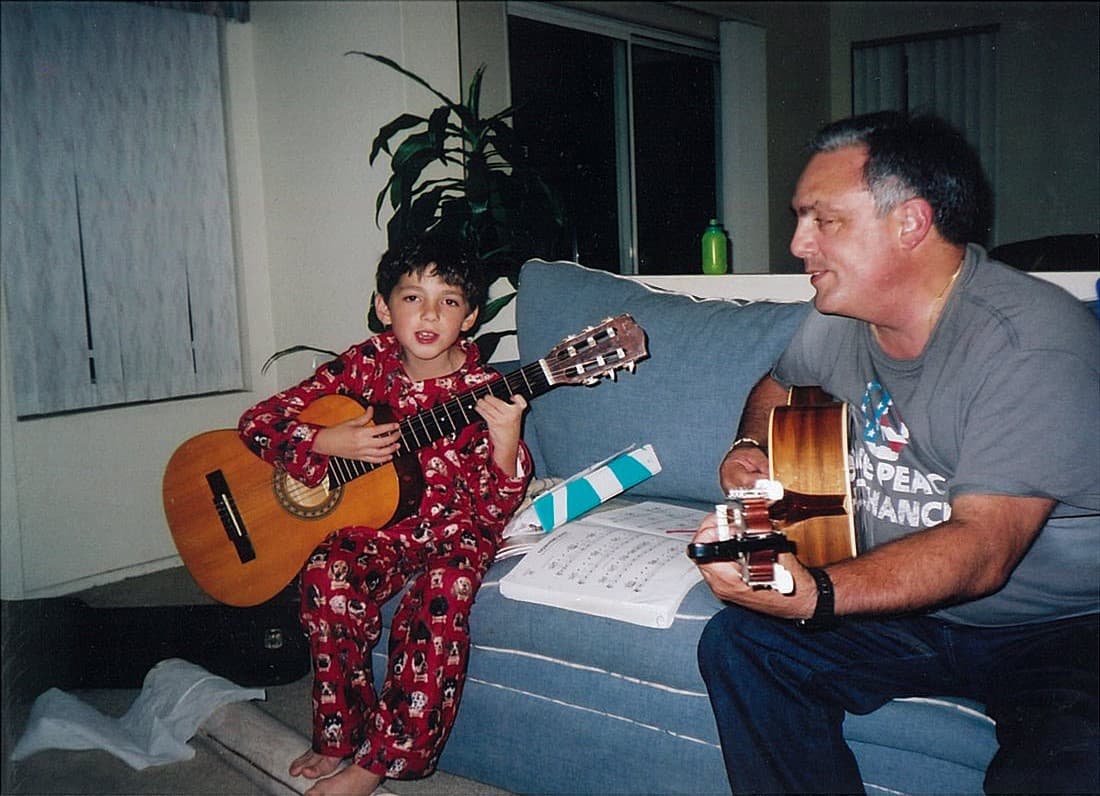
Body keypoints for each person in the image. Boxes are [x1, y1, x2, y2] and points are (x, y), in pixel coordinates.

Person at [692, 111, 1099, 794]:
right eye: (800, 220)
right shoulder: (836, 319)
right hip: (908, 610)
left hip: (1059, 631)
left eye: (824, 220)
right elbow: (778, 383)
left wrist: (815, 594)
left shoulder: (1030, 340)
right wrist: (746, 447)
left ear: (910, 223)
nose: (797, 243)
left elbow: (985, 548)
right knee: (742, 647)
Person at [238, 236, 532, 796]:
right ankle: (338, 735)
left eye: (448, 302)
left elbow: (494, 510)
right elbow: (257, 421)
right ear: (383, 307)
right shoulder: (363, 366)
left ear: (470, 316)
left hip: (454, 531)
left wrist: (505, 439)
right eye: (412, 297)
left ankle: (378, 763)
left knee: (439, 600)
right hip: (380, 530)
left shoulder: (485, 390)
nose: (428, 315)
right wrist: (326, 439)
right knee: (329, 570)